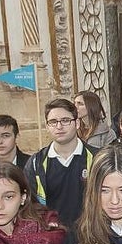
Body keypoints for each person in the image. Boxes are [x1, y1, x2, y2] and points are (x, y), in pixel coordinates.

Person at [23, 98, 98, 228]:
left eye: (65, 120)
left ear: (77, 123)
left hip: (91, 234)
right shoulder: (36, 164)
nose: (59, 126)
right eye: (53, 122)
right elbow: (30, 205)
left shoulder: (98, 158)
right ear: (47, 126)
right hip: (51, 235)